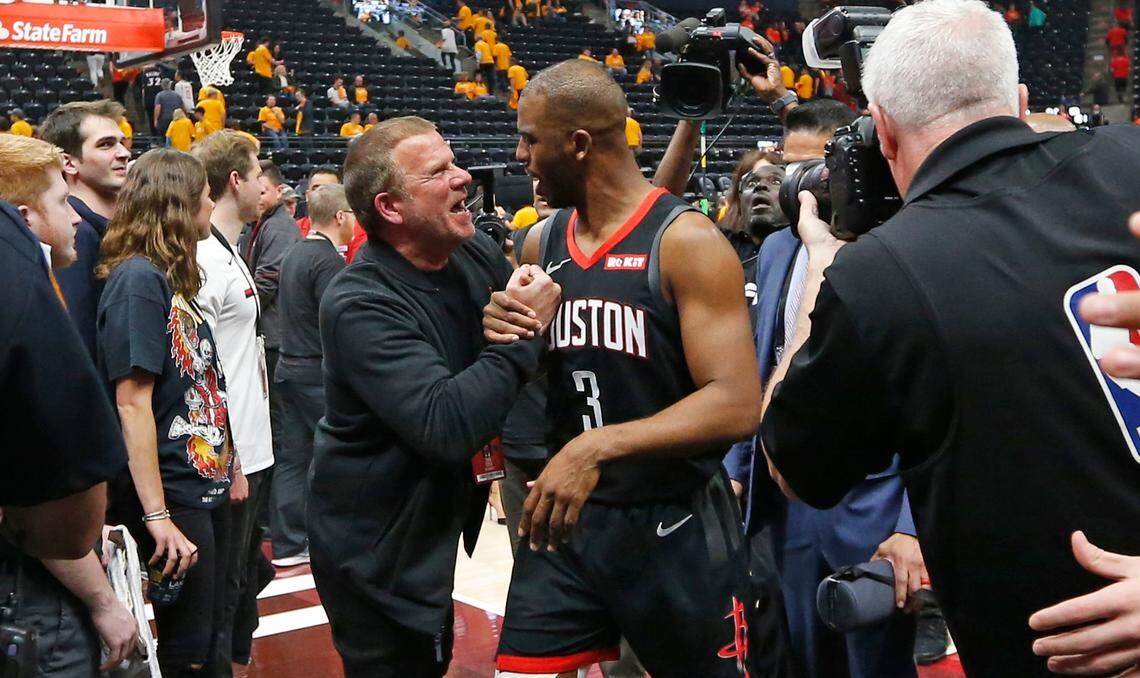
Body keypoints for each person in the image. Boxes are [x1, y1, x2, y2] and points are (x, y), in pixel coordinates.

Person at [756, 0, 1140, 674]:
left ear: (883, 131)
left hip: (1054, 652)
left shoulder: (878, 276)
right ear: (1019, 100)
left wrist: (822, 267)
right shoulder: (1132, 158)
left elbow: (794, 467)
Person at [486, 58, 786, 677]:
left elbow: (734, 402)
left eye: (529, 139)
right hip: (568, 519)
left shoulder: (687, 242)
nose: (520, 156)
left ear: (577, 145)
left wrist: (594, 448)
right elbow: (554, 368)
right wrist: (509, 332)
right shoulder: (541, 242)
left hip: (672, 519)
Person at [307, 116, 559, 677]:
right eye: (439, 172)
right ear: (391, 208)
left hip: (430, 525)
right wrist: (522, 330)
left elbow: (513, 345)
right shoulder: (360, 301)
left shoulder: (468, 255)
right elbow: (445, 424)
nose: (463, 178)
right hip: (372, 545)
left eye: (455, 162)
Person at [96, 148, 233, 677]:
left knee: (212, 630)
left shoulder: (170, 279)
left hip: (202, 482)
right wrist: (157, 515)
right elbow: (132, 403)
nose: (210, 200)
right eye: (203, 192)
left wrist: (231, 464)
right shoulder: (137, 281)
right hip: (175, 494)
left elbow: (201, 382)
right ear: (177, 204)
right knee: (189, 646)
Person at [189, 132, 275, 677]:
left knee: (242, 586)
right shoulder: (202, 257)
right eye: (258, 170)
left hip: (253, 447)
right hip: (230, 456)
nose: (266, 182)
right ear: (235, 181)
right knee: (221, 596)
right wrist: (231, 457)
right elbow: (198, 370)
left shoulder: (232, 249)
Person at [272, 184, 355, 570]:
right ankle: (333, 536)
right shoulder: (325, 261)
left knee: (293, 457)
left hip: (287, 366)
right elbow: (338, 320)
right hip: (312, 372)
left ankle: (288, 541)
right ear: (340, 216)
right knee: (333, 456)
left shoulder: (295, 254)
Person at [39, 99, 131, 358]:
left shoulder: (105, 229)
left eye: (122, 142)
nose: (123, 153)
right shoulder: (77, 234)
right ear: (68, 162)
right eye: (106, 144)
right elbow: (79, 344)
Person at [240, 160, 300, 520]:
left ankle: (276, 521)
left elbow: (266, 283)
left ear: (278, 192)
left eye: (263, 191)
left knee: (281, 435)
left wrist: (236, 307)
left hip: (276, 339)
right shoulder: (261, 226)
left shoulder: (279, 228)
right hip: (269, 336)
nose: (257, 197)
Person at [295, 165, 341, 237]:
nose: (321, 194)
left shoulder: (355, 229)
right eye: (316, 189)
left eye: (329, 189)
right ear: (307, 196)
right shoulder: (295, 229)